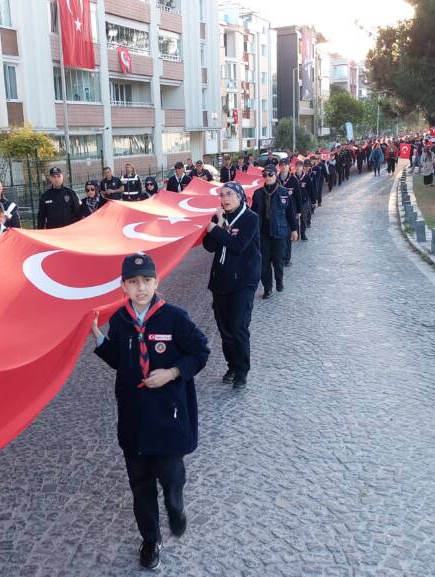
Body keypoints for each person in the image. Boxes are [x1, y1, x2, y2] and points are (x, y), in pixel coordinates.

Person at [90, 252, 209, 570]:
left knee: (170, 477)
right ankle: (150, 540)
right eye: (133, 282)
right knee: (140, 484)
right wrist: (100, 341)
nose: (140, 288)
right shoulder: (120, 320)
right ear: (123, 286)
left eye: (146, 281)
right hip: (134, 418)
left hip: (168, 416)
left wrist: (171, 373)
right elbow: (120, 360)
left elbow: (200, 352)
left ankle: (175, 505)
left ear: (156, 281)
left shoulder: (175, 318)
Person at [201, 182, 259, 389]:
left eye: (229, 194)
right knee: (225, 329)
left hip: (244, 280)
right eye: (221, 195)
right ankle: (232, 366)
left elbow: (237, 246)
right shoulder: (219, 218)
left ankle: (242, 371)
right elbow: (209, 246)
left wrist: (216, 229)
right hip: (221, 280)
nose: (224, 199)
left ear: (240, 197)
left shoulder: (251, 218)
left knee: (238, 326)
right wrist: (217, 225)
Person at [251, 168, 298, 299]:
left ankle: (279, 280)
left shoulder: (283, 192)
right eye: (264, 175)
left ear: (275, 175)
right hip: (263, 233)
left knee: (278, 260)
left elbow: (290, 213)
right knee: (264, 263)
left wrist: (294, 229)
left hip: (280, 232)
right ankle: (267, 288)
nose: (267, 177)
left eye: (270, 174)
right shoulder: (258, 194)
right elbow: (253, 215)